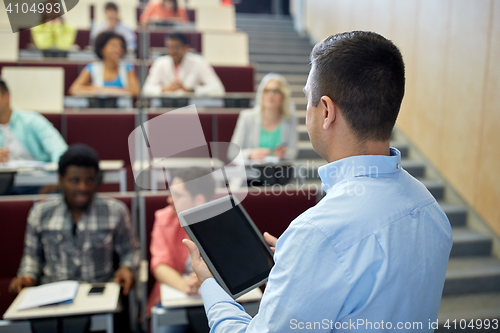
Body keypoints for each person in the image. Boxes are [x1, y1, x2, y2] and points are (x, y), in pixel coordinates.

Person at [183, 31, 453, 332]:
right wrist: (299, 267)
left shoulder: (318, 234)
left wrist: (210, 286)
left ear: (326, 111)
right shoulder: (430, 209)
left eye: (307, 98)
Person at [9, 144, 140, 295]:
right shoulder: (40, 213)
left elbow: (130, 251)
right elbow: (31, 257)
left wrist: (126, 268)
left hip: (99, 293)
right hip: (52, 294)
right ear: (61, 180)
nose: (82, 188)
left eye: (89, 181)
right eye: (74, 181)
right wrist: (27, 277)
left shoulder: (115, 211)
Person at [147, 168, 215, 333]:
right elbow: (160, 265)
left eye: (177, 195)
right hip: (176, 293)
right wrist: (185, 285)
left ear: (198, 200)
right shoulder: (164, 218)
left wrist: (205, 280)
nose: (169, 200)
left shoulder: (225, 221)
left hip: (216, 296)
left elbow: (236, 266)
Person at [228, 73, 298, 161]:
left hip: (279, 171)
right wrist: (250, 154)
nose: (271, 95)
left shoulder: (290, 118)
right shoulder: (247, 117)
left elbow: (293, 152)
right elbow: (232, 152)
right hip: (251, 171)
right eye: (266, 91)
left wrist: (285, 153)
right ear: (261, 94)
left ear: (283, 95)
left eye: (276, 91)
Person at [142, 32, 225, 97]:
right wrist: (165, 89)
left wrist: (190, 91)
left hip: (192, 109)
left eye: (176, 47)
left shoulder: (199, 62)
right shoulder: (160, 63)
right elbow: (146, 90)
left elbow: (217, 89)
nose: (173, 51)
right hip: (165, 109)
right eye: (170, 47)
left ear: (186, 48)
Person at [69, 31, 140, 97]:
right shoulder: (92, 68)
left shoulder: (128, 67)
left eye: (120, 46)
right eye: (113, 45)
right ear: (102, 48)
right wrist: (119, 91)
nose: (118, 49)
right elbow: (74, 89)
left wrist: (100, 89)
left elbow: (135, 91)